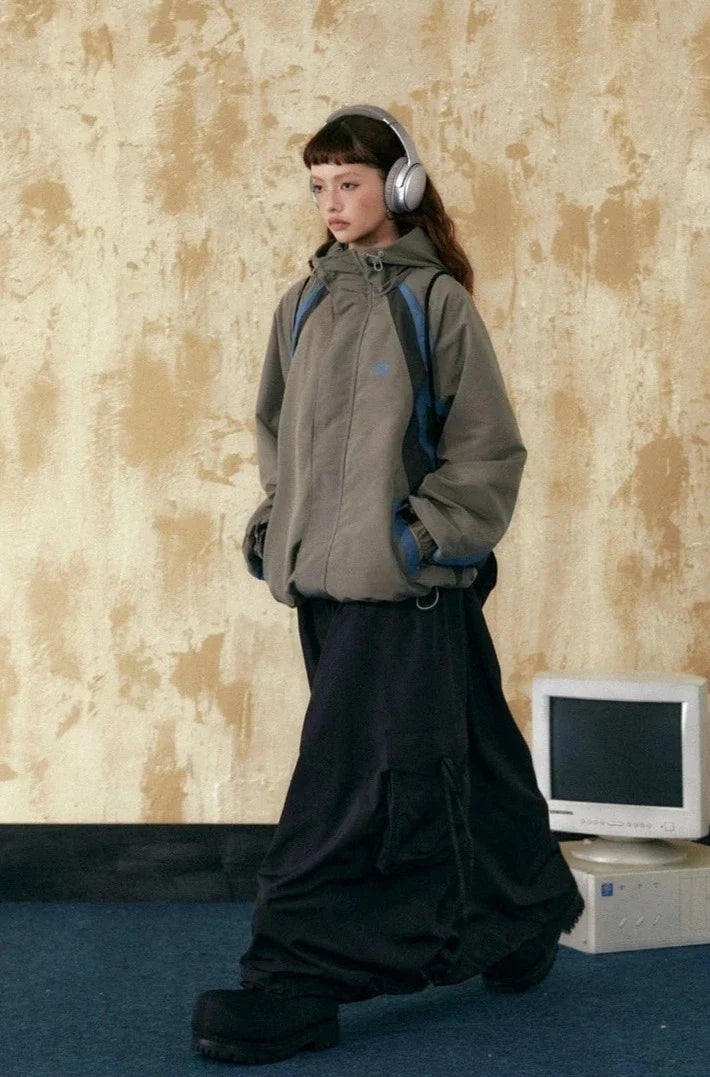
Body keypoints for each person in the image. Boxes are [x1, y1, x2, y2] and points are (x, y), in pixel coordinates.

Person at [191, 104, 584, 1066]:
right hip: (322, 586)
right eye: (318, 185)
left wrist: (420, 542)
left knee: (352, 775)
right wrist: (273, 525)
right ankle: (522, 915)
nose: (332, 202)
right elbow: (275, 433)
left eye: (350, 183)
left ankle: (295, 973)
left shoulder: (434, 301)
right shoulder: (302, 304)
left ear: (398, 186)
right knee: (467, 744)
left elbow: (487, 449)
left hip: (405, 586)